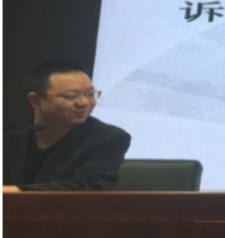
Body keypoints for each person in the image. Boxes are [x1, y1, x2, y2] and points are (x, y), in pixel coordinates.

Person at [2, 59, 130, 192]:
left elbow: (89, 188)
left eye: (90, 94)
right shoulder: (7, 134)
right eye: (71, 96)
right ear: (35, 101)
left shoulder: (109, 139)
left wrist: (14, 191)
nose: (84, 103)